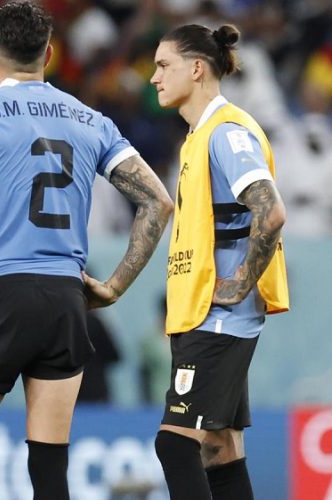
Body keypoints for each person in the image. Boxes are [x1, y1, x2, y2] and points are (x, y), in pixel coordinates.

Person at [0, 2, 173, 498]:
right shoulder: (90, 119)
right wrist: (114, 286)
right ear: (49, 53)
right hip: (64, 300)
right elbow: (158, 201)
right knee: (50, 467)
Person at [149, 24, 289, 500]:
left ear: (196, 68)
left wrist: (241, 283)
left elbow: (269, 212)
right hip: (206, 315)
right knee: (219, 445)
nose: (154, 78)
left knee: (175, 445)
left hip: (219, 321)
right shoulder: (199, 135)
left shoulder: (225, 134)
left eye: (163, 65)